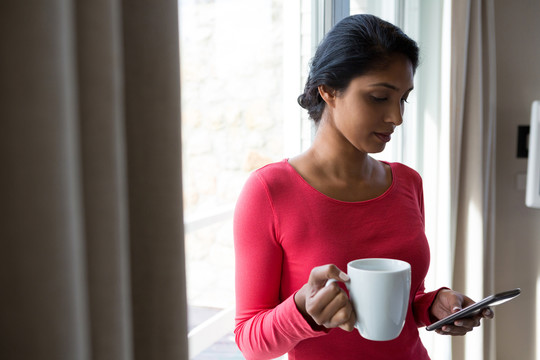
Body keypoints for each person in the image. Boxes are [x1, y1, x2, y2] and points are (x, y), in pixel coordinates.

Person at [233, 14, 493, 360]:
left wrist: (432, 305)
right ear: (328, 90)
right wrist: (302, 309)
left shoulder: (407, 183)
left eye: (403, 99)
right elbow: (249, 341)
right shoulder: (269, 192)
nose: (397, 117)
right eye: (379, 97)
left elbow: (396, 306)